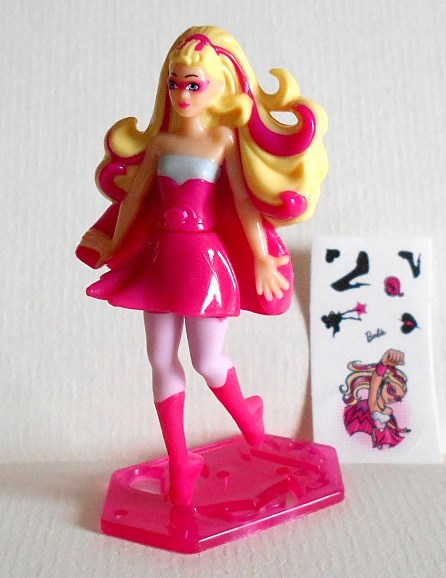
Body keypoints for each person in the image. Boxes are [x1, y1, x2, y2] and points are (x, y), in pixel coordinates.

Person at [76, 26, 328, 505]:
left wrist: (261, 257)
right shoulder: (160, 144)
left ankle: (249, 420)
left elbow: (244, 205)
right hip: (161, 259)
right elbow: (133, 202)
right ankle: (179, 461)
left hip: (205, 263)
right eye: (175, 83)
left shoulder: (222, 142)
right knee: (159, 358)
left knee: (207, 360)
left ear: (219, 88)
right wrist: (114, 243)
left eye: (194, 84)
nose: (182, 94)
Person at [340, 349, 410, 449]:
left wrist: (399, 430)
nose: (393, 397)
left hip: (385, 439)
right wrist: (382, 364)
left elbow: (391, 425)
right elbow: (376, 378)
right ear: (382, 385)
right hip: (375, 438)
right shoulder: (373, 404)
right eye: (391, 390)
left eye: (398, 398)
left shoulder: (388, 411)